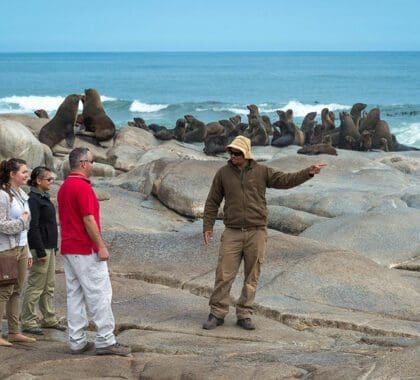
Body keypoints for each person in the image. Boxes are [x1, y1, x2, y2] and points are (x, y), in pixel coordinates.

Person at [202, 136, 326, 330]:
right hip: (232, 232)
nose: (233, 156)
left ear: (246, 154)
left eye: (237, 153)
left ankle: (244, 314)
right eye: (231, 153)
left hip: (257, 232)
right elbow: (212, 202)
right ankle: (217, 313)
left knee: (252, 276)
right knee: (224, 275)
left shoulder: (262, 172)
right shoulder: (223, 174)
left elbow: (286, 180)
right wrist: (207, 226)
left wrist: (307, 173)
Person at [57, 147, 131, 356]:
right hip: (84, 248)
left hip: (69, 248)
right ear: (83, 164)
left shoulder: (64, 187)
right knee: (100, 293)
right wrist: (101, 246)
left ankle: (77, 340)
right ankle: (106, 340)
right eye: (91, 161)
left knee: (75, 295)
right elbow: (88, 219)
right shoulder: (82, 187)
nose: (93, 165)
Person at [21, 166, 66, 335]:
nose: (52, 182)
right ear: (38, 181)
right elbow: (33, 227)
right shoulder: (33, 199)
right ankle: (28, 321)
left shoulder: (44, 198)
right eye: (49, 179)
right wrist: (39, 251)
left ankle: (49, 318)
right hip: (40, 248)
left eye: (52, 179)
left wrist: (54, 246)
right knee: (36, 285)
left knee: (49, 286)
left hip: (49, 247)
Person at [0, 158, 35, 346]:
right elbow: (1, 225)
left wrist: (28, 251)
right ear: (12, 174)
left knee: (17, 290)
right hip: (6, 249)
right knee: (4, 291)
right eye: (23, 172)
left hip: (21, 248)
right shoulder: (2, 195)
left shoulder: (22, 193)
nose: (27, 175)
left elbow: (25, 227)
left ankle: (14, 331)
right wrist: (21, 222)